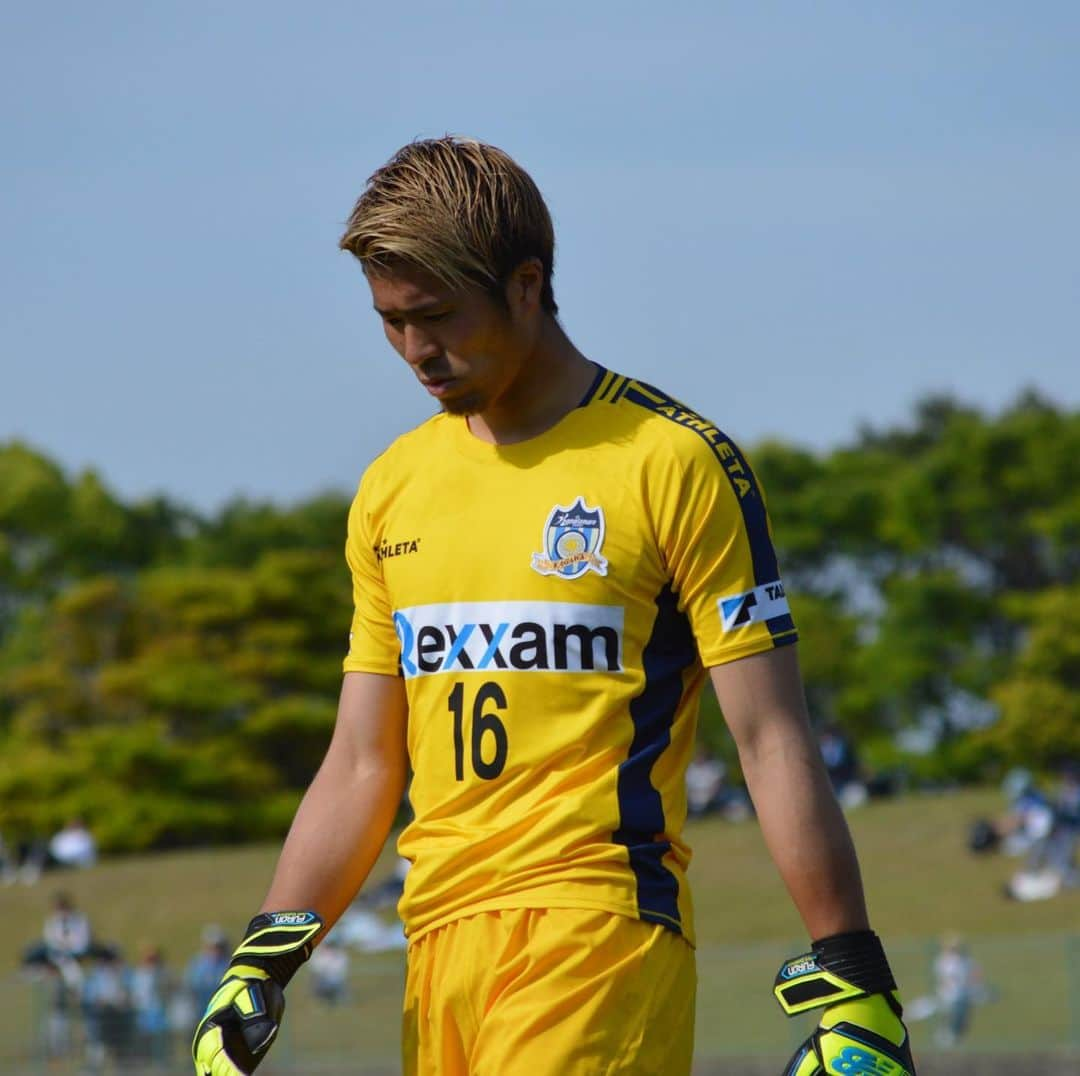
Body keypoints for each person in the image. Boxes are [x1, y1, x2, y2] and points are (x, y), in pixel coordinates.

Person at [192, 137, 916, 1076]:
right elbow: (365, 759)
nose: (416, 350)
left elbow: (771, 736)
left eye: (438, 317)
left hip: (599, 929)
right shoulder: (391, 488)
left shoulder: (673, 462)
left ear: (526, 285)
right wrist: (267, 950)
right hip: (438, 943)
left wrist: (852, 972)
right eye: (390, 321)